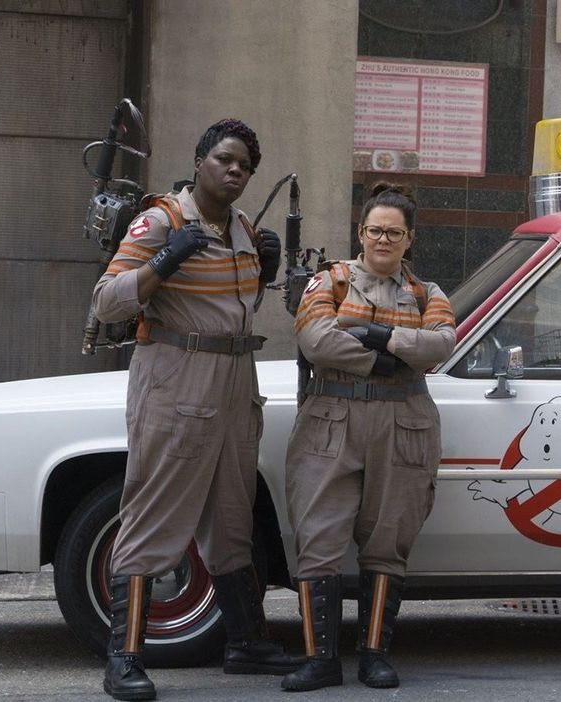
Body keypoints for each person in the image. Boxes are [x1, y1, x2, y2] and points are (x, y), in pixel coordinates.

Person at [91, 119, 301, 701]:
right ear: (199, 162)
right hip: (177, 376)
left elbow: (236, 305)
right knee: (153, 512)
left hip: (235, 378)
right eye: (225, 160)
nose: (235, 171)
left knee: (232, 516)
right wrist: (162, 262)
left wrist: (265, 270)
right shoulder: (163, 220)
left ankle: (246, 641)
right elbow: (106, 300)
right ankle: (123, 657)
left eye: (245, 166)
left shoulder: (241, 227)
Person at [281, 183, 456, 692]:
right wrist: (389, 360)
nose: (383, 240)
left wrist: (377, 335)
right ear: (360, 233)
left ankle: (374, 656)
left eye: (394, 233)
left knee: (388, 540)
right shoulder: (329, 281)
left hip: (403, 424)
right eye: (375, 230)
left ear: (409, 239)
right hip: (331, 421)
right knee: (318, 536)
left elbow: (441, 344)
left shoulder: (428, 293)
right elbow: (316, 339)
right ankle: (320, 660)